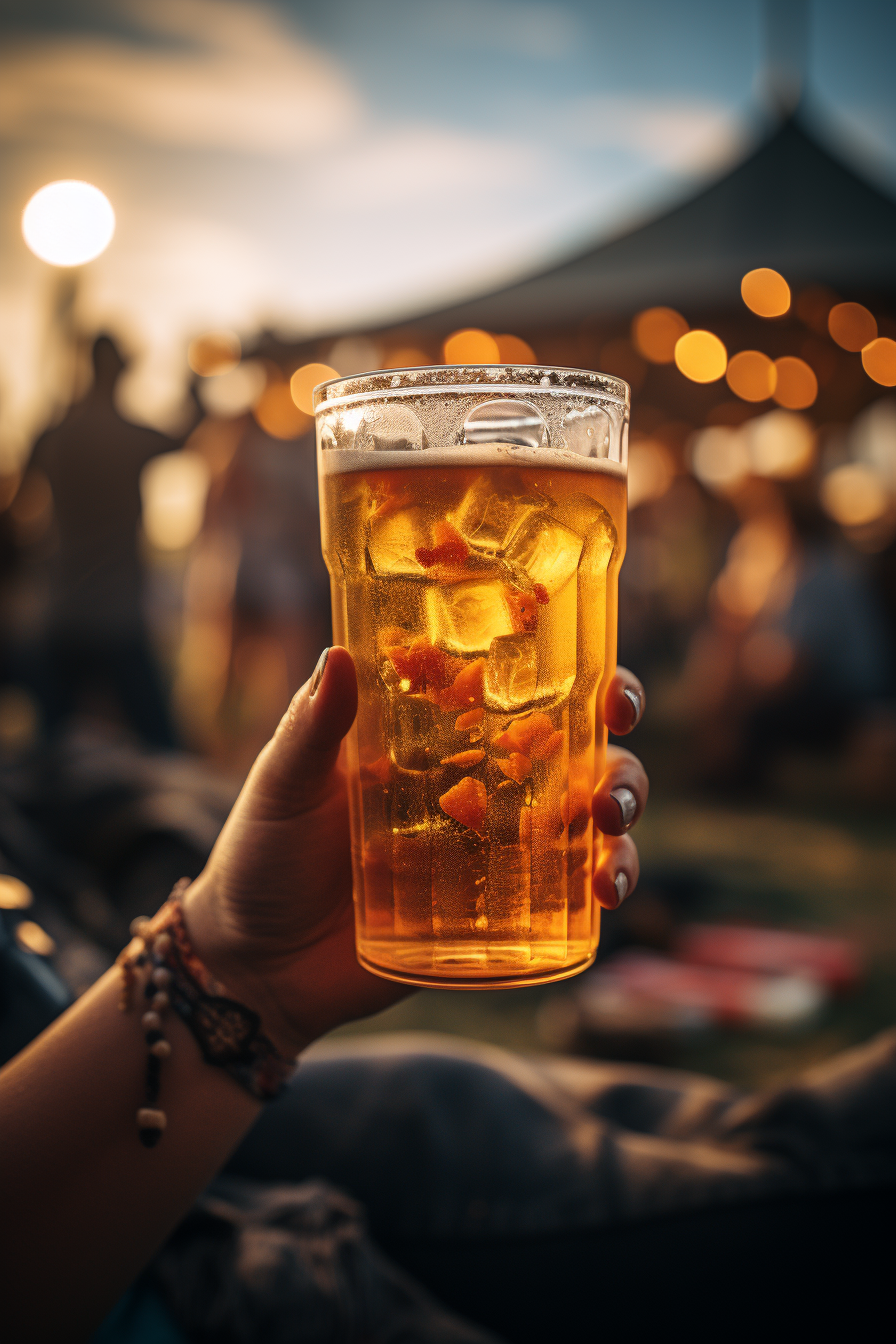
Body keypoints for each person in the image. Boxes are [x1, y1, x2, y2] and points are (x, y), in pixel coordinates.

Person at [0, 647, 648, 1342]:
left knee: (504, 1105)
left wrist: (248, 966)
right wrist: (240, 971)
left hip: (184, 1109)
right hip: (186, 1268)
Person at [24, 335, 178, 748]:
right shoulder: (129, 435)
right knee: (161, 747)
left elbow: (19, 503)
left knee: (53, 747)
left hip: (62, 611)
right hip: (117, 616)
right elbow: (184, 435)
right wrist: (194, 385)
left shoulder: (54, 435)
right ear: (121, 371)